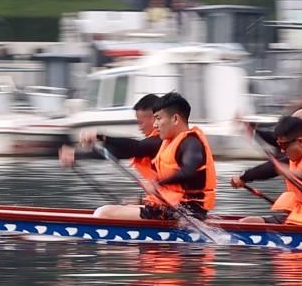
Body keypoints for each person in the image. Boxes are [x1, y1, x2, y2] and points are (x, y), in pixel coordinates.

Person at [81, 92, 216, 220]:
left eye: (158, 118)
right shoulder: (168, 142)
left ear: (175, 119)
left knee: (103, 213)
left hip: (185, 213)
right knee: (120, 208)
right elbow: (131, 148)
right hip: (172, 208)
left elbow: (189, 171)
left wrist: (158, 183)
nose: (155, 124)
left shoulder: (191, 142)